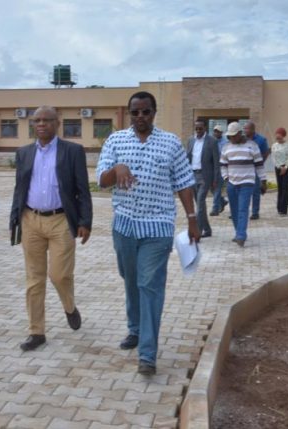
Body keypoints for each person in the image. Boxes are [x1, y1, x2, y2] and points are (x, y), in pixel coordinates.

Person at [97, 91, 198, 376]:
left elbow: (184, 182)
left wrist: (192, 219)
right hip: (125, 227)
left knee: (150, 286)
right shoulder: (116, 141)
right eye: (135, 112)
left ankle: (148, 354)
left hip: (158, 228)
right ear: (129, 114)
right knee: (131, 281)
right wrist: (117, 169)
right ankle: (135, 329)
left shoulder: (170, 143)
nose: (140, 117)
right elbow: (102, 181)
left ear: (154, 113)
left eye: (145, 112)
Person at [10, 106, 92, 351]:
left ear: (58, 123)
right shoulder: (23, 153)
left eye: (47, 120)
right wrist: (14, 219)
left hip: (61, 221)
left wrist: (85, 222)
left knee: (59, 275)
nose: (42, 124)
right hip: (30, 219)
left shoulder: (73, 151)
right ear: (33, 124)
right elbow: (19, 188)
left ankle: (69, 306)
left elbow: (82, 190)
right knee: (34, 280)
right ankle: (37, 332)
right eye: (37, 120)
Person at [220, 122, 266, 247]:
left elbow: (259, 165)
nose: (232, 138)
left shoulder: (252, 146)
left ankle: (241, 236)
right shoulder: (226, 147)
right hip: (231, 183)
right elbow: (223, 165)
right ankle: (238, 232)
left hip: (247, 182)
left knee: (243, 209)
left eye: (234, 135)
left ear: (240, 133)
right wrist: (226, 177)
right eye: (230, 136)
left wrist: (263, 181)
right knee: (234, 210)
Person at [186, 120, 220, 237]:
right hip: (192, 176)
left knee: (200, 202)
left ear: (205, 128)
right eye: (196, 129)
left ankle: (198, 231)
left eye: (200, 128)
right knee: (200, 205)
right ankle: (208, 229)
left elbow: (216, 162)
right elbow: (187, 158)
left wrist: (215, 179)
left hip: (205, 177)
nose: (198, 131)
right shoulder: (191, 140)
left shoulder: (212, 141)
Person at [244, 121, 269, 220]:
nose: (245, 130)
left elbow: (266, 153)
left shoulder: (261, 140)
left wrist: (259, 163)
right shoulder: (242, 139)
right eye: (244, 128)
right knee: (243, 191)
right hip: (244, 168)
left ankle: (255, 212)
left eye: (247, 128)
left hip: (255, 169)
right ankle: (240, 211)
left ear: (253, 129)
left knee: (255, 191)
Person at [271, 127, 288, 216]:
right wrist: (280, 167)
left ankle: (284, 209)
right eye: (277, 137)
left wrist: (286, 167)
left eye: (280, 137)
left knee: (286, 188)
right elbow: (273, 157)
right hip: (278, 168)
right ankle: (279, 208)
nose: (278, 138)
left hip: (287, 168)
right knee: (280, 187)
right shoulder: (274, 145)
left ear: (283, 136)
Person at [210, 125, 229, 216]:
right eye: (215, 131)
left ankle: (215, 209)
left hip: (221, 167)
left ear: (221, 133)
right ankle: (222, 201)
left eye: (218, 131)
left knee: (217, 188)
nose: (216, 133)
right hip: (212, 168)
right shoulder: (211, 141)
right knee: (212, 188)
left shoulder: (225, 143)